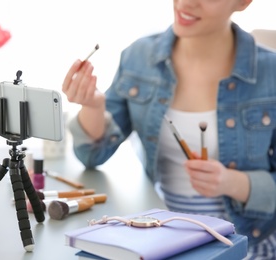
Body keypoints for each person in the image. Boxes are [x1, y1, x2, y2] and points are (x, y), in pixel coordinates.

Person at [62, 0, 276, 259]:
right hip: (162, 238)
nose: (186, 2)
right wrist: (93, 107)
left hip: (245, 244)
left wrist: (234, 183)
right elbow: (92, 156)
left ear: (242, 2)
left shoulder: (270, 73)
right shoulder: (138, 57)